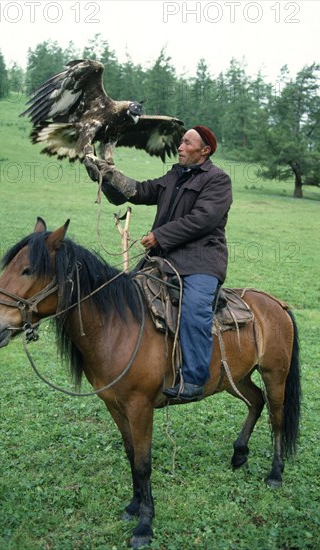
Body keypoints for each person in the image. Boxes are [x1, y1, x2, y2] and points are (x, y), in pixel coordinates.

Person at [85, 126, 232, 402]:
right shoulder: (175, 174)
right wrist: (108, 176)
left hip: (201, 261)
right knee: (123, 293)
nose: (180, 147)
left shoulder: (218, 180)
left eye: (187, 143)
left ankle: (194, 379)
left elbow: (203, 219)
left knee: (194, 309)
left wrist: (159, 235)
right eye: (181, 142)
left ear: (205, 151)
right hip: (164, 259)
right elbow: (140, 191)